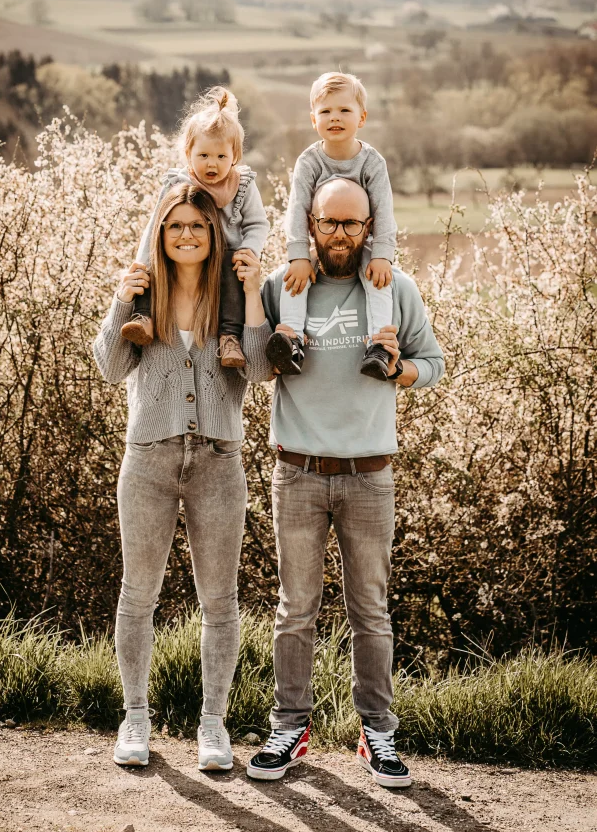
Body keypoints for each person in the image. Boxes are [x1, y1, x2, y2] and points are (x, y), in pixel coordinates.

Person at [246, 177, 445, 787]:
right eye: (329, 223)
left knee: (371, 611)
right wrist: (269, 339)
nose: (340, 235)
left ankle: (376, 733)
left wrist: (398, 370)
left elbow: (432, 363)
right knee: (294, 611)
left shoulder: (394, 289)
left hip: (369, 476)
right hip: (298, 472)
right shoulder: (285, 287)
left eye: (352, 224)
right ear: (310, 222)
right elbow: (255, 370)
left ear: (370, 228)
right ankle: (290, 728)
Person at [93, 183, 268, 772]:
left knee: (220, 600)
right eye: (175, 227)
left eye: (198, 225)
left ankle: (213, 726)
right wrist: (121, 301)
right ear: (160, 235)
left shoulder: (235, 304)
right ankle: (135, 718)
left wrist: (254, 296)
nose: (188, 234)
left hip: (219, 463)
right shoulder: (146, 300)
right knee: (137, 594)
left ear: (214, 232)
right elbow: (110, 367)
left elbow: (265, 370)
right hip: (148, 459)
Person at [121, 86, 269, 370]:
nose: (212, 164)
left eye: (221, 157)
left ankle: (229, 339)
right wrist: (142, 262)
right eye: (203, 156)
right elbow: (155, 228)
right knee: (152, 273)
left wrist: (249, 250)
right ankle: (144, 318)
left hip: (227, 256)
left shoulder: (242, 186)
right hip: (180, 255)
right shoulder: (178, 185)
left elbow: (258, 223)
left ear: (234, 156)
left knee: (233, 286)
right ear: (188, 153)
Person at [266, 71, 397, 381]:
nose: (334, 118)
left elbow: (384, 210)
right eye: (325, 111)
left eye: (344, 111)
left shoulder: (372, 163)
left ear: (361, 118)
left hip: (361, 243)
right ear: (314, 120)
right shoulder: (309, 162)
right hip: (318, 243)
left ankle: (379, 348)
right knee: (294, 280)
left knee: (379, 282)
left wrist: (382, 254)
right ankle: (293, 342)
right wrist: (298, 255)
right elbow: (297, 208)